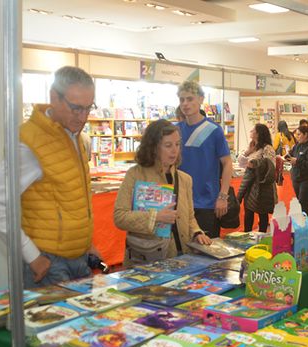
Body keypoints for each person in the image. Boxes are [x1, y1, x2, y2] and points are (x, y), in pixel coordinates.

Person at [0, 66, 101, 288]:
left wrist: (87, 243)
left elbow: (72, 199)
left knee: (85, 322)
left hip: (79, 258)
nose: (82, 117)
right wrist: (31, 255)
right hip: (49, 262)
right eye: (76, 108)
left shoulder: (76, 137)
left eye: (88, 108)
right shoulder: (30, 143)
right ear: (54, 97)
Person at [113, 120, 210, 267]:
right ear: (154, 147)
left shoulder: (185, 179)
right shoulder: (135, 175)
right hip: (147, 259)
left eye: (177, 144)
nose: (174, 150)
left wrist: (197, 233)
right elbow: (120, 216)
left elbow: (190, 217)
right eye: (168, 145)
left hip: (182, 257)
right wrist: (156, 217)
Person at [177, 80, 232, 238]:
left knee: (207, 252)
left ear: (201, 99)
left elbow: (227, 163)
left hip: (207, 203)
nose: (185, 104)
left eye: (190, 99)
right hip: (180, 203)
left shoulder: (213, 130)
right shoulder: (175, 130)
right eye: (182, 100)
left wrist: (223, 196)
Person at [238, 124, 277, 232]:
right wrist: (249, 151)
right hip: (250, 184)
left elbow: (270, 166)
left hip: (261, 185)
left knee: (262, 212)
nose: (251, 131)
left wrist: (254, 165)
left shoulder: (267, 148)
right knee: (248, 212)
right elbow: (241, 162)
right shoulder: (253, 146)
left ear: (258, 133)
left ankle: (262, 236)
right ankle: (247, 235)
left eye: (253, 130)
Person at [289, 126, 308, 216]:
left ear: (305, 135)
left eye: (299, 134)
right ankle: (305, 222)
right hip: (296, 177)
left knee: (303, 201)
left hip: (307, 179)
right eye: (296, 134)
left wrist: (297, 161)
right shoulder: (297, 145)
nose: (297, 136)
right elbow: (291, 154)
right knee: (300, 203)